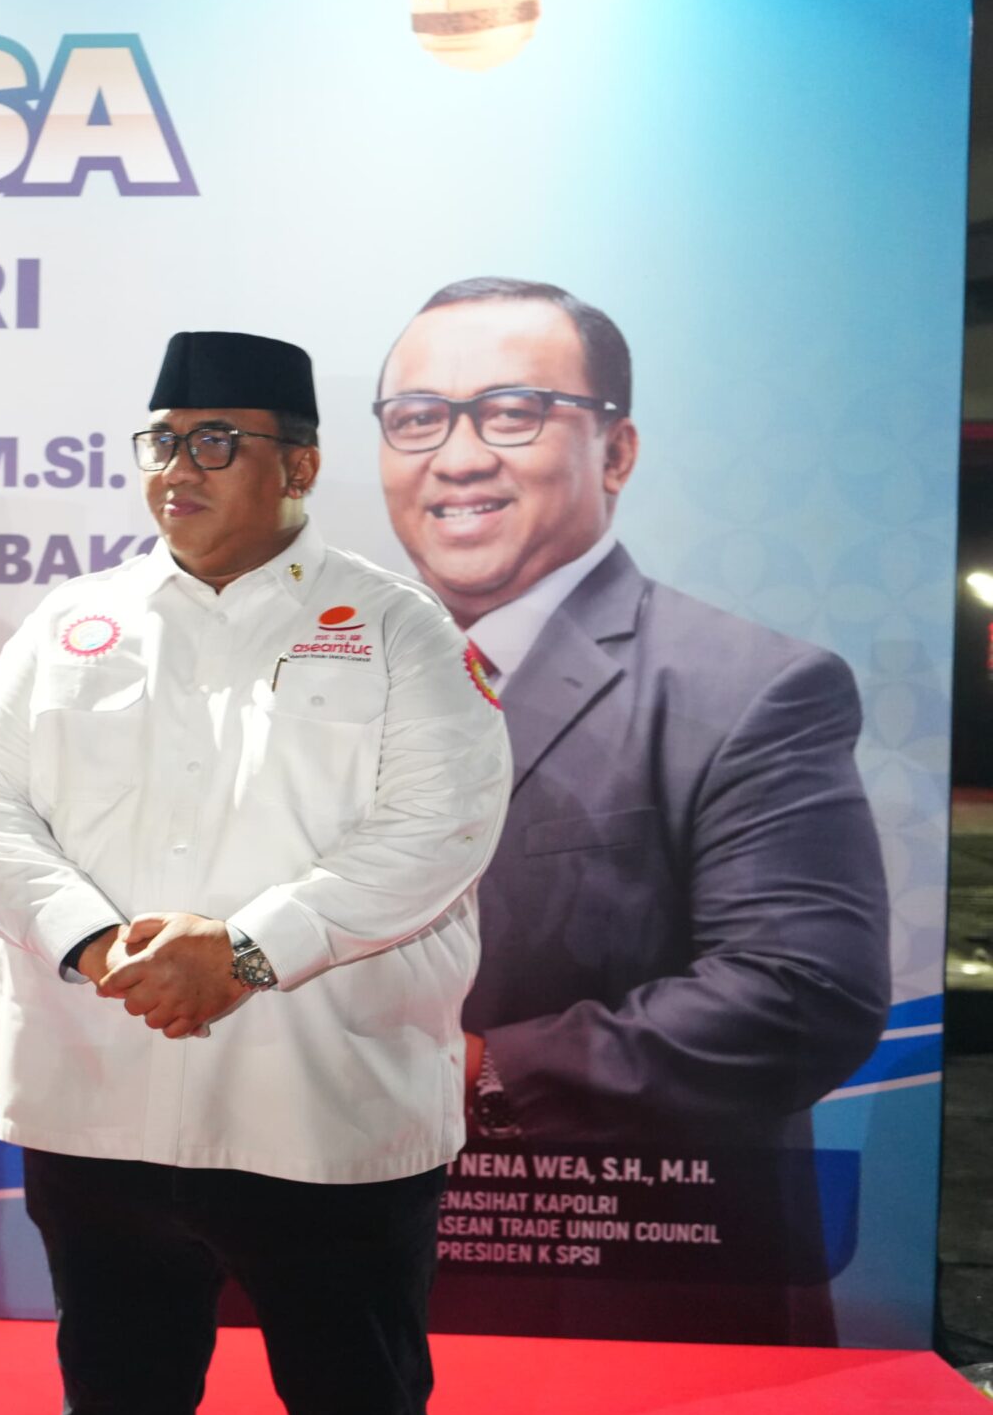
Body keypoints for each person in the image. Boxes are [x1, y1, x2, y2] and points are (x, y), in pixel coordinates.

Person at [0, 330, 510, 1415]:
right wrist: (92, 941)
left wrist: (245, 950)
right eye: (159, 442)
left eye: (213, 442)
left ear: (299, 466)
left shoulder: (395, 626)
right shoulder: (72, 622)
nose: (175, 470)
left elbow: (438, 831)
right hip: (101, 1105)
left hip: (320, 1108)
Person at [374, 276, 890, 1342]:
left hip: (628, 1296)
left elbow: (800, 994)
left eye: (511, 412)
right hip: (335, 1284)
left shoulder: (752, 687)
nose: (457, 456)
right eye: (418, 417)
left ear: (615, 452)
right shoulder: (324, 676)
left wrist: (480, 1074)